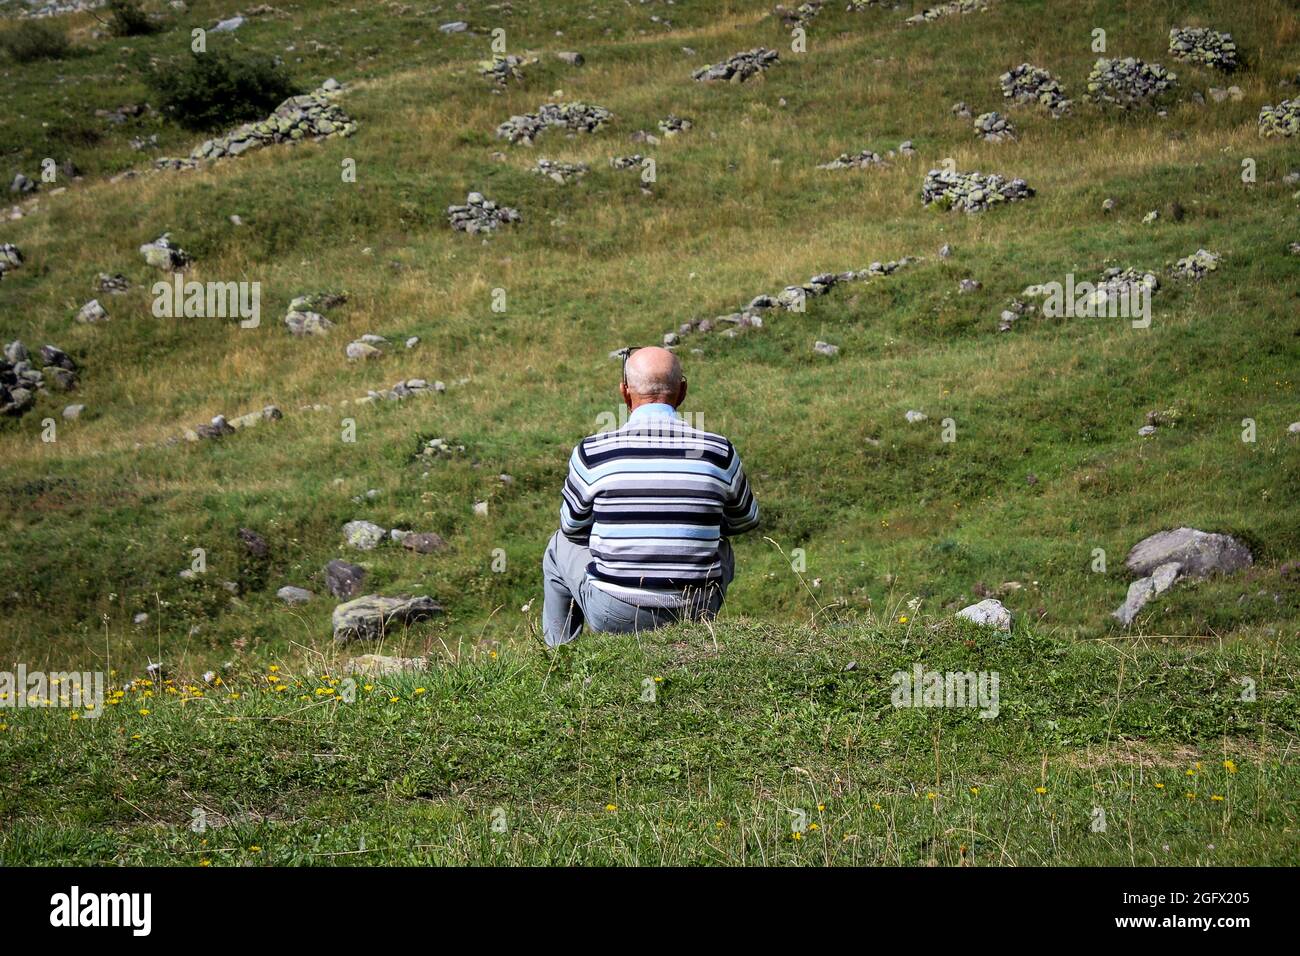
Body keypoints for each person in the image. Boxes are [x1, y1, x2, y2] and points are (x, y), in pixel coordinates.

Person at [541, 346, 759, 645]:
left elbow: (572, 528)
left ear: (625, 392)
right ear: (682, 391)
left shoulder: (592, 453)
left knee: (558, 545)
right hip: (697, 607)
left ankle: (559, 658)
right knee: (721, 544)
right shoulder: (718, 451)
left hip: (615, 611)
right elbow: (746, 519)